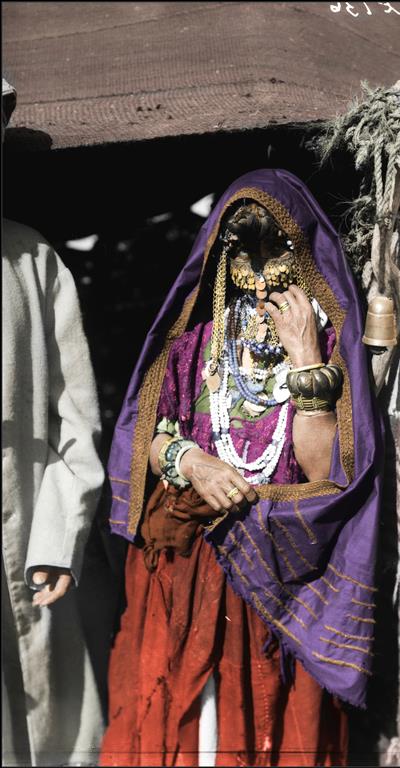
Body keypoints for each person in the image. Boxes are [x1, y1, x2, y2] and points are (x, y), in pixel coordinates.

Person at [100, 169, 383, 767]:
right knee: (198, 731)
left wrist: (305, 357)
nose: (258, 285)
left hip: (281, 577)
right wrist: (190, 458)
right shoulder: (195, 343)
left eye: (275, 255)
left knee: (271, 735)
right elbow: (145, 438)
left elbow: (326, 470)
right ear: (218, 257)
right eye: (242, 258)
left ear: (304, 253)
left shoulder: (331, 348)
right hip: (194, 571)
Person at [2, 78, 106, 766]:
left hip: (22, 523)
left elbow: (76, 415)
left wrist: (57, 535)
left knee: (38, 724)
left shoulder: (31, 259)